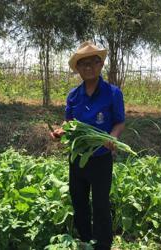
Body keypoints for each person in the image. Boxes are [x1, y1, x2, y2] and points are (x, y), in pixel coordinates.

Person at [50, 41, 125, 250]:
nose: (88, 67)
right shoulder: (73, 96)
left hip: (101, 157)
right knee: (79, 201)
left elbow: (120, 122)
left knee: (100, 204)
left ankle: (103, 244)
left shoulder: (113, 93)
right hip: (78, 157)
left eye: (93, 62)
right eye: (83, 64)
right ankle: (85, 240)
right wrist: (60, 131)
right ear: (78, 69)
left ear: (101, 65)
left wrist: (113, 137)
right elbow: (69, 122)